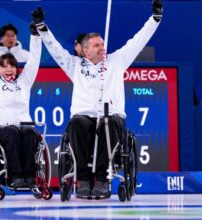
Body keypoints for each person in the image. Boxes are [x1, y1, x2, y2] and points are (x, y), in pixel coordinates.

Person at [31, 0, 163, 198]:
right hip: (84, 116)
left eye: (103, 44)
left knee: (108, 124)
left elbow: (138, 40)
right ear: (85, 50)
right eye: (97, 45)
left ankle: (102, 180)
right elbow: (55, 49)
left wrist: (155, 18)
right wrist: (42, 28)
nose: (102, 47)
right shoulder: (75, 66)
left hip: (111, 116)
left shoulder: (117, 61)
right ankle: (83, 179)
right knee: (76, 123)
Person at [0, 16, 42, 187]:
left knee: (29, 133)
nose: (9, 68)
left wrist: (35, 36)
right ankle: (15, 176)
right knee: (11, 132)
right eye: (4, 65)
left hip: (21, 126)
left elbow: (34, 61)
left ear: (17, 68)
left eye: (12, 65)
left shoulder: (24, 82)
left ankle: (30, 176)